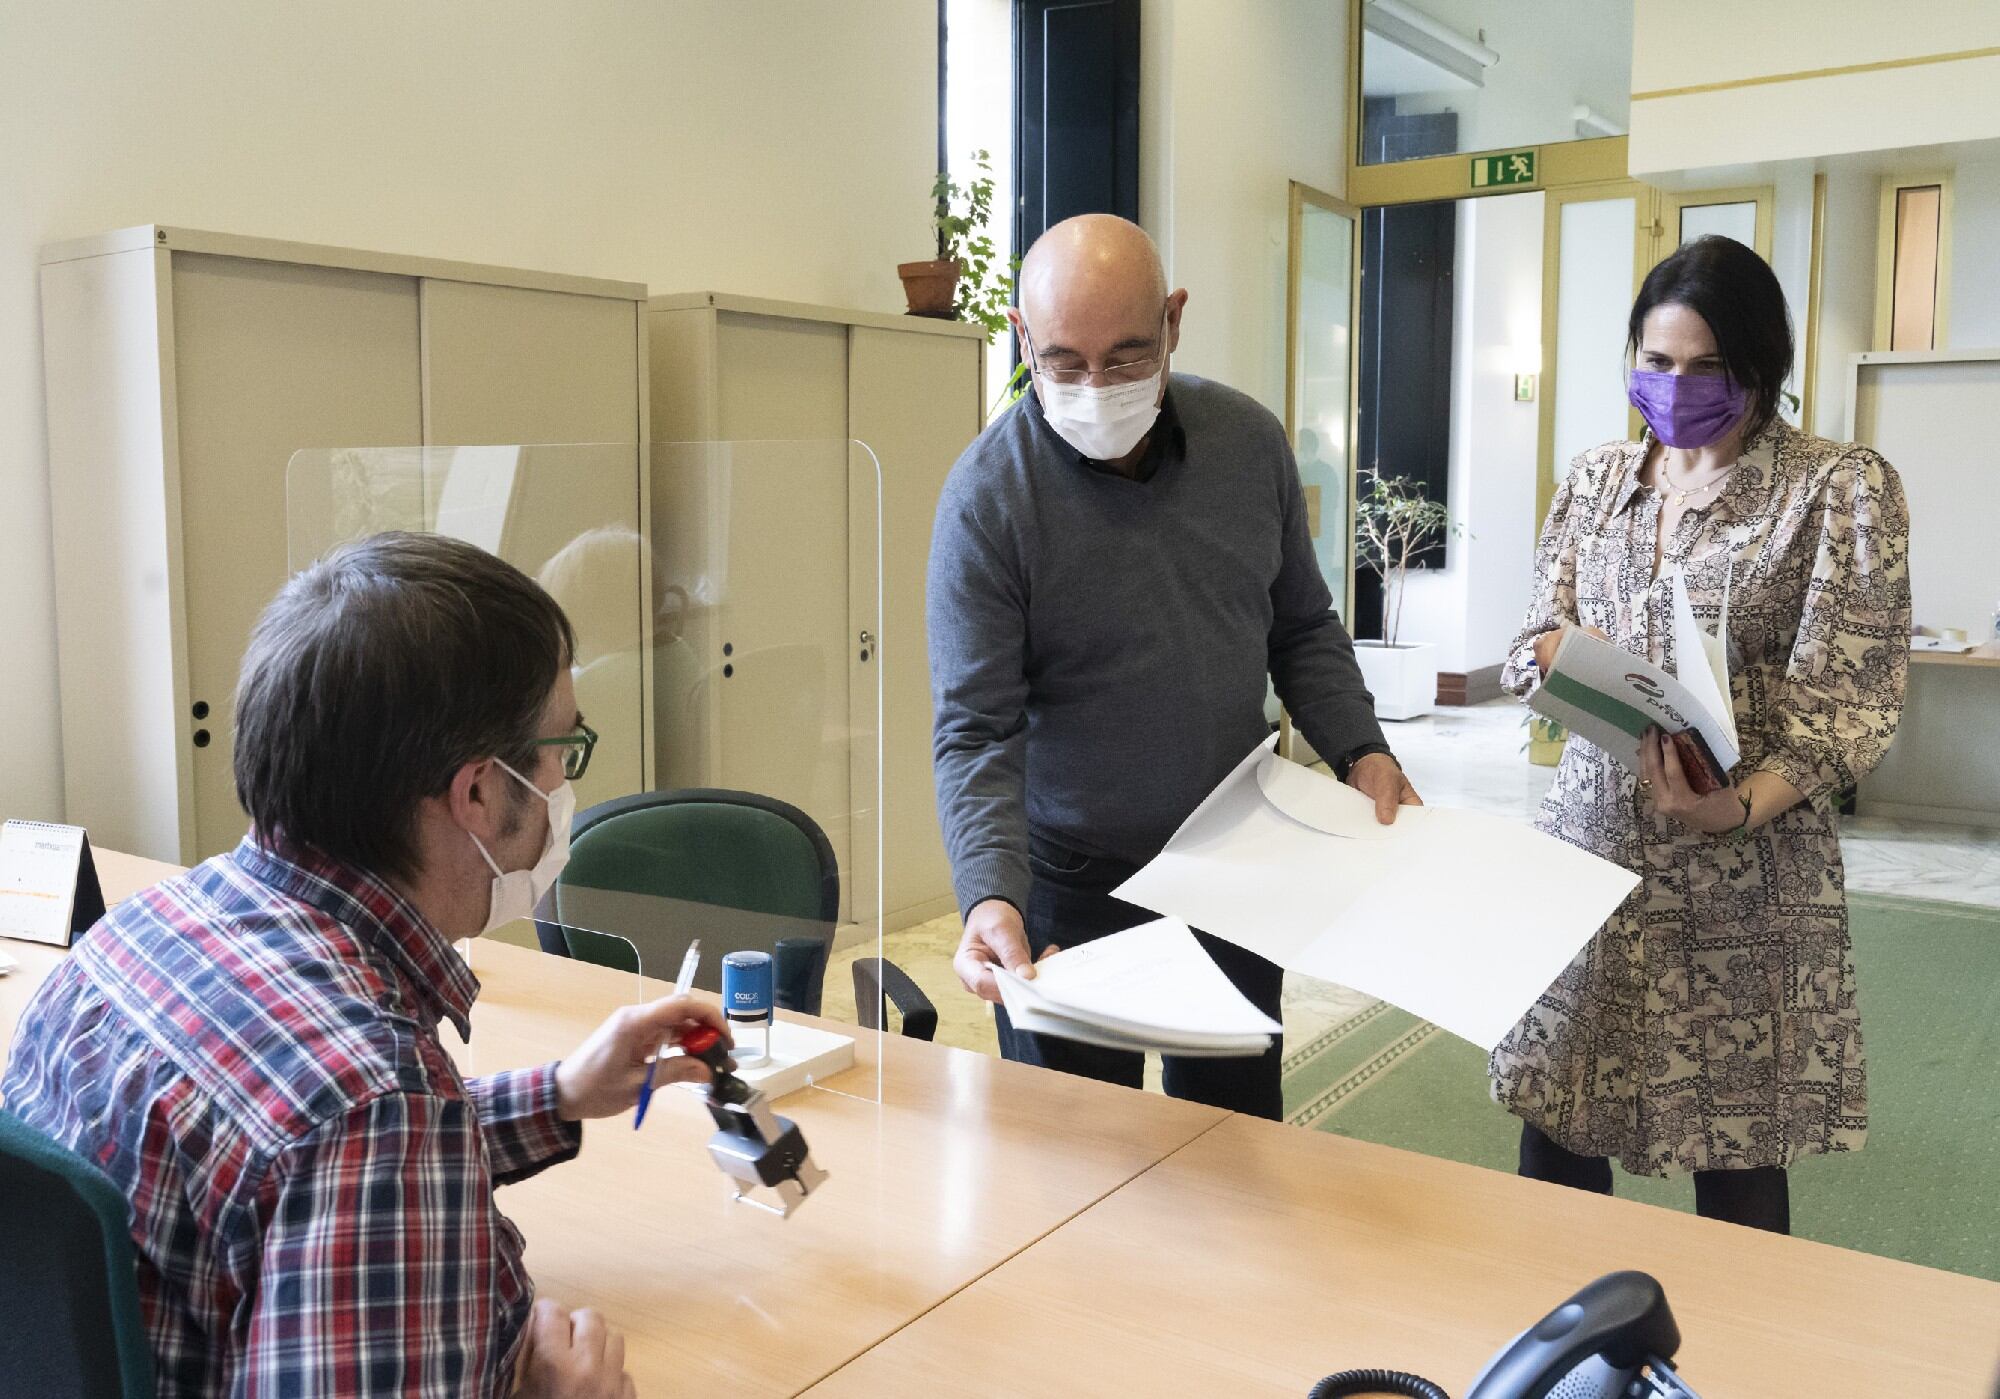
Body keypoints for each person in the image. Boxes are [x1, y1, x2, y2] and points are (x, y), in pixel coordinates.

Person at [2, 532, 731, 1395]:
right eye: (561, 753)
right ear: (479, 792)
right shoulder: (372, 1109)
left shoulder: (133, 934)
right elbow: (349, 1141)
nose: (564, 791)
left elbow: (289, 1168)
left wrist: (560, 1092)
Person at [928, 213, 1421, 1120]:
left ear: (1174, 322)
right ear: (1023, 337)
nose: (1094, 386)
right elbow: (976, 728)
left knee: (1233, 1144)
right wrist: (989, 892)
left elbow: (1302, 626)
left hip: (1235, 863)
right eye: (1065, 362)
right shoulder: (987, 499)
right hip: (1070, 887)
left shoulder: (1248, 445)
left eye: (1124, 357)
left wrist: (1361, 748)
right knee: (1072, 1161)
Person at [1492, 235, 1911, 1233]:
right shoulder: (1597, 480)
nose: (1675, 387)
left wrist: (1735, 803)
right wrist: (1556, 660)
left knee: (1732, 1150)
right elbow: (1525, 644)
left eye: (1706, 367)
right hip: (1585, 861)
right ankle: (1561, 1358)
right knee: (1556, 1121)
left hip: (1742, 876)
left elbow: (1845, 697)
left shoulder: (1833, 488)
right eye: (1655, 362)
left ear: (1762, 366)